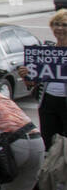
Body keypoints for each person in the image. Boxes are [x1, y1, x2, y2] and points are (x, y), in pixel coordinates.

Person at [17, 8, 67, 149]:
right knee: (48, 140)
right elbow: (32, 83)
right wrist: (26, 74)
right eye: (56, 24)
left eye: (64, 25)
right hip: (47, 101)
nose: (59, 28)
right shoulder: (44, 51)